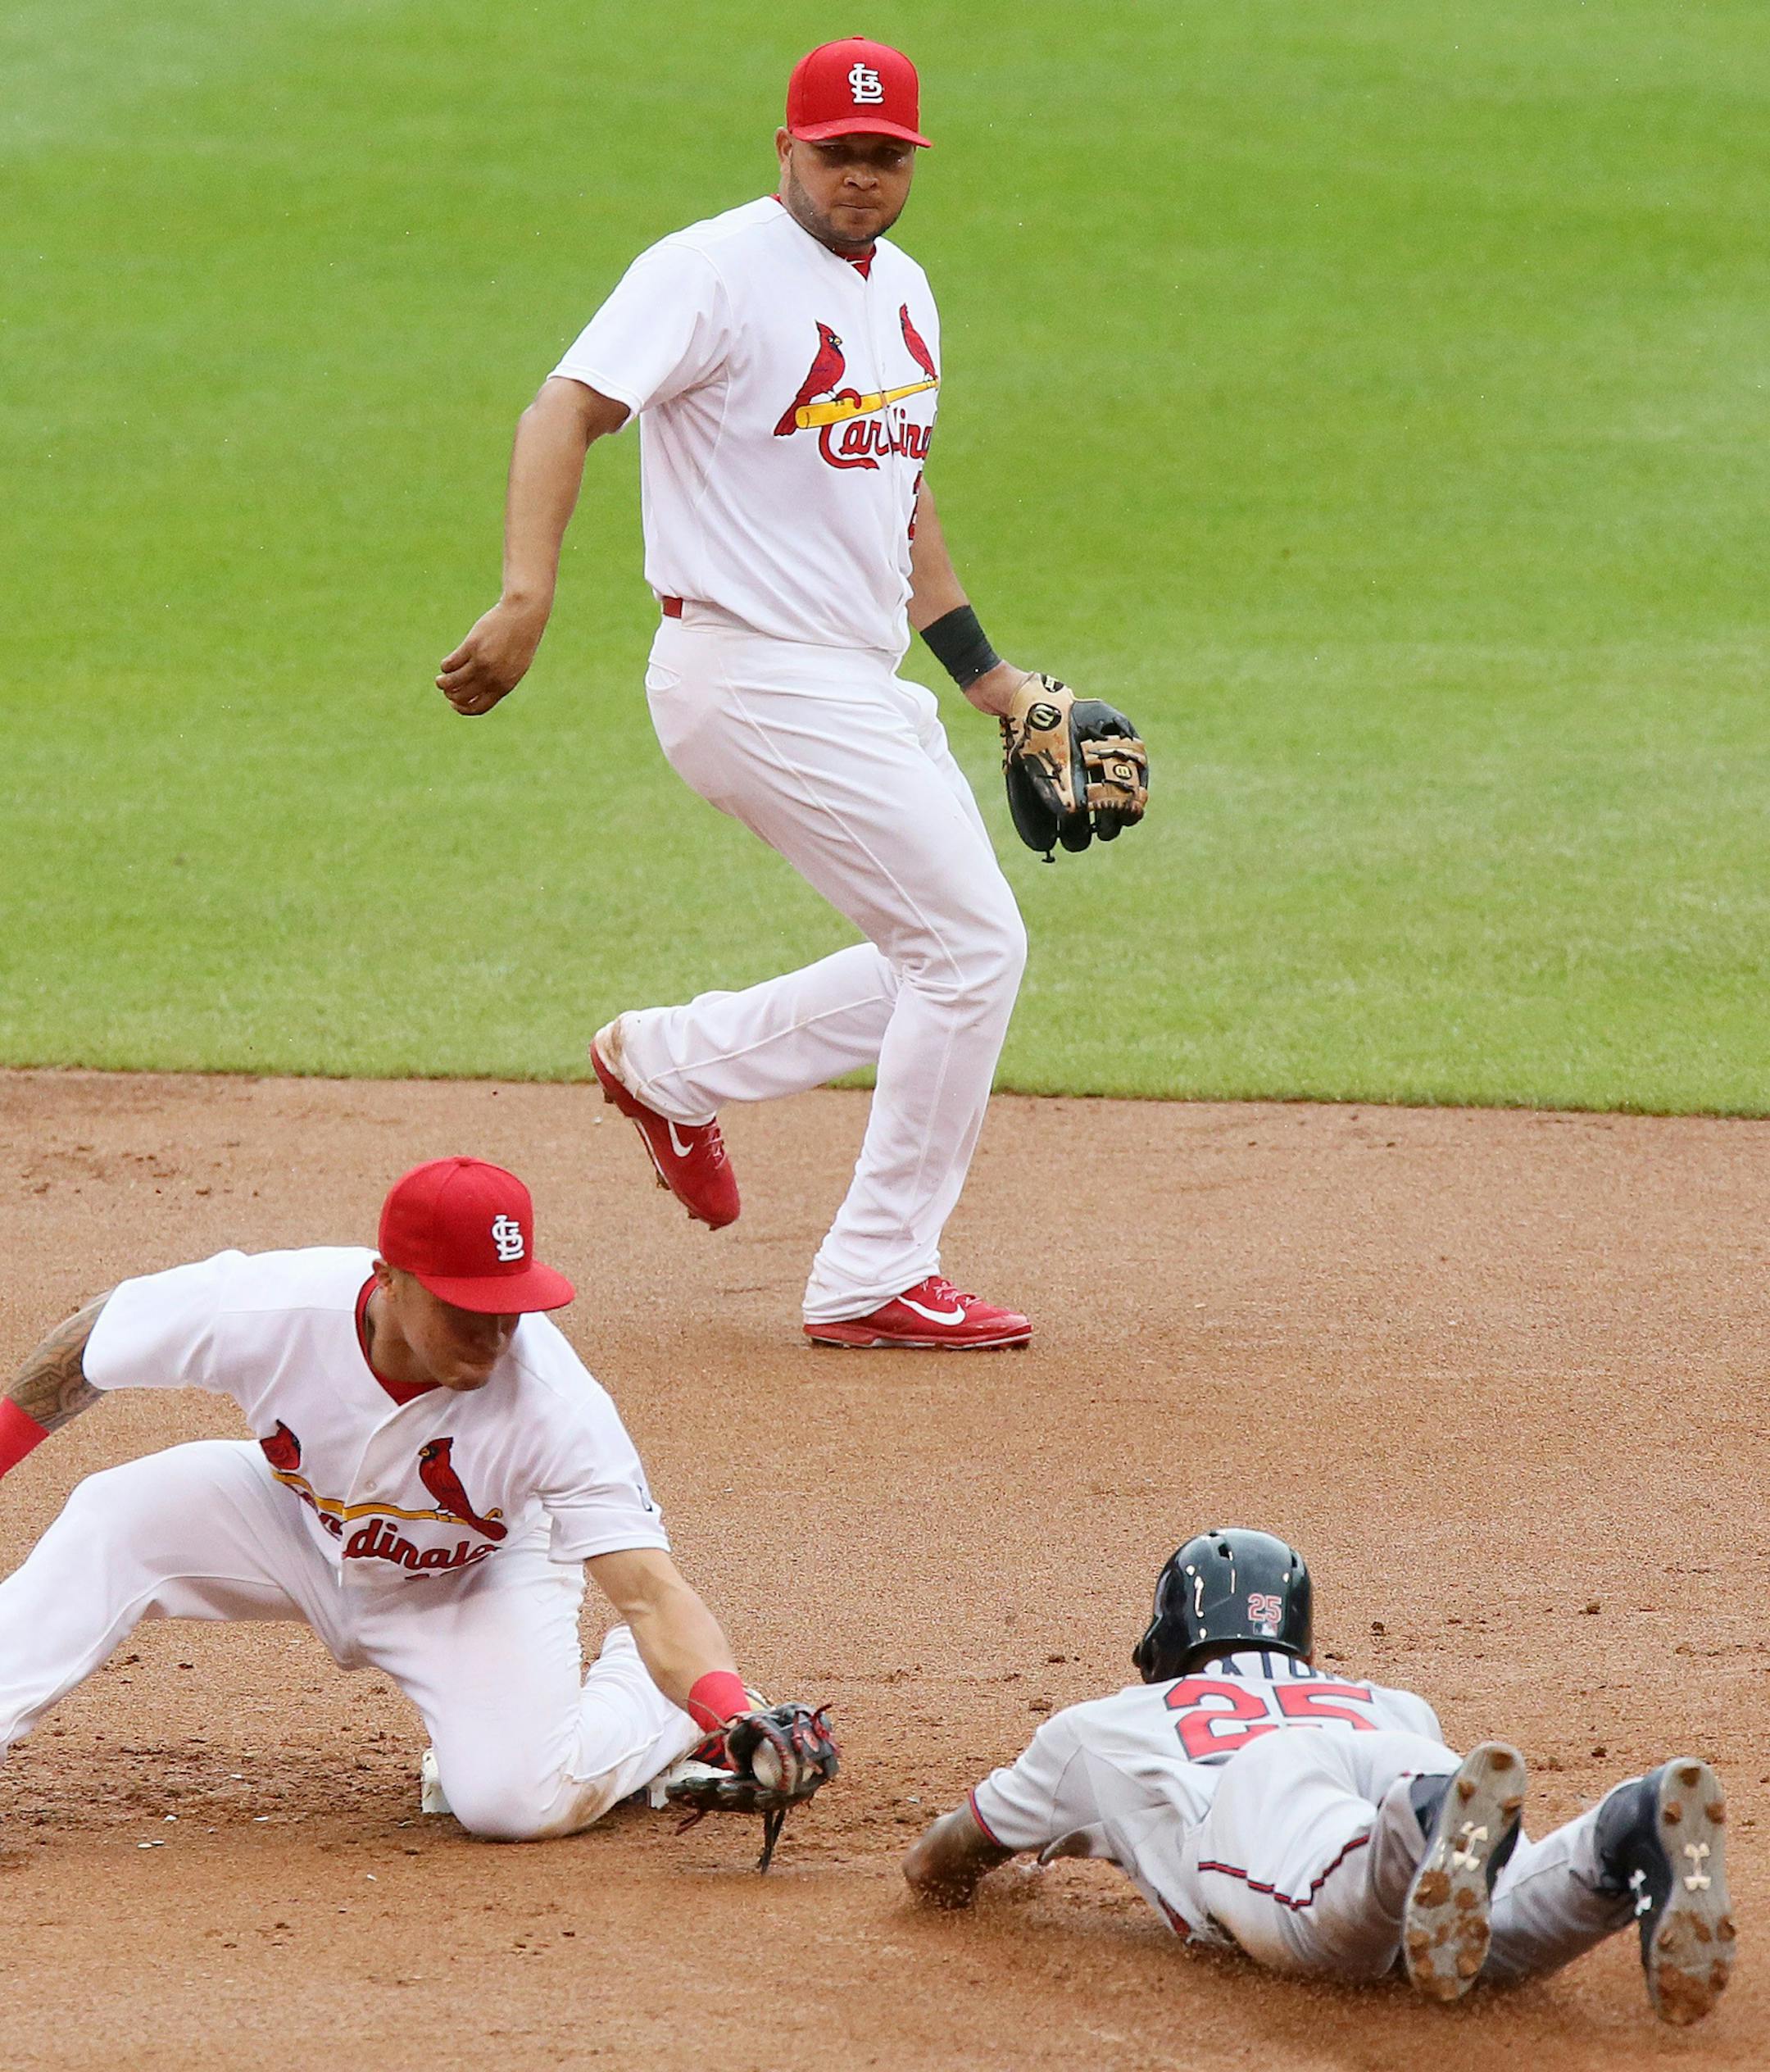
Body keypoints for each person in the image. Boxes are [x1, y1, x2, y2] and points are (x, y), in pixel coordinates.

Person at [437, 36, 1066, 1352]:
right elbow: (564, 409)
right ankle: (874, 1275)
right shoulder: (708, 270)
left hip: (854, 678)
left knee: (940, 955)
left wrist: (993, 683)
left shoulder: (905, 290)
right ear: (784, 147)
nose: (862, 176)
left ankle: (667, 1065)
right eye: (838, 152)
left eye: (885, 155)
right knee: (974, 950)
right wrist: (525, 595)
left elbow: (901, 498)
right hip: (749, 669)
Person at [0, 1156, 830, 1843]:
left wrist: (720, 1703)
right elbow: (94, 1337)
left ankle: (650, 1702)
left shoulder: (556, 1403)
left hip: (474, 1577)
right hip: (291, 1523)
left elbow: (650, 1591)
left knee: (514, 1803)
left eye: (510, 1308)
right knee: (118, 1514)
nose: (493, 1335)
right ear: (388, 1278)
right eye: (466, 1308)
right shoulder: (271, 1307)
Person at [903, 1529, 1734, 2028]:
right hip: (1401, 1756)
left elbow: (947, 1852)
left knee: (1327, 1928)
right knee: (1487, 1930)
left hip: (1268, 1791)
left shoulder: (1102, 1723)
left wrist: (952, 1880)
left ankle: (1421, 1824)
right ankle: (1622, 1830)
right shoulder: (1389, 1700)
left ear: (1168, 1634)